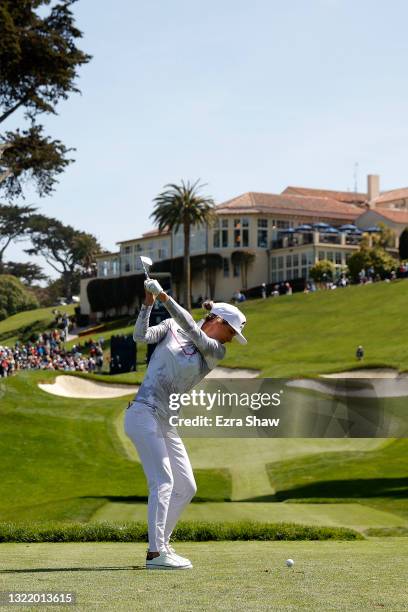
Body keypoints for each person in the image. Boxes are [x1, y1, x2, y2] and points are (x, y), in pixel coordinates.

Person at [124, 279, 248, 570]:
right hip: (143, 413)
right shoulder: (169, 326)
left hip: (166, 422)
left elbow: (192, 328)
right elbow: (140, 337)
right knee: (164, 481)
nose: (231, 339)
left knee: (187, 487)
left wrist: (165, 296)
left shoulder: (215, 350)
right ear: (217, 321)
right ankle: (156, 554)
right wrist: (148, 304)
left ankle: (161, 545)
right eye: (231, 332)